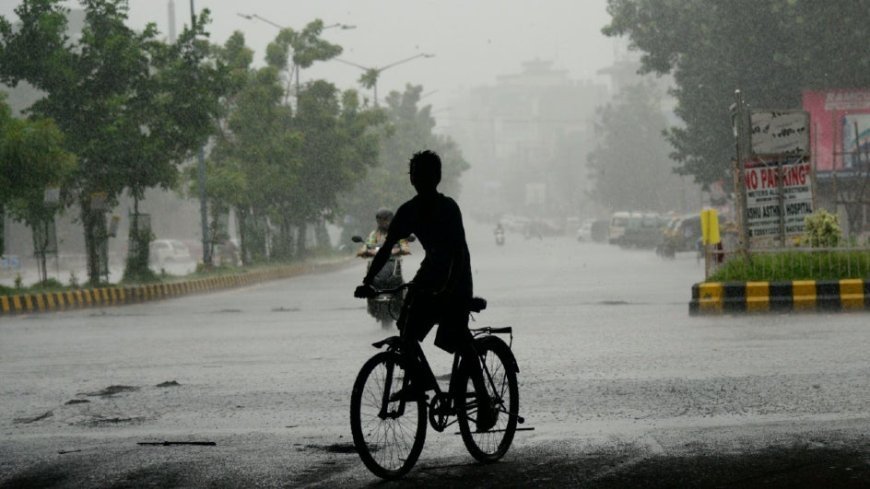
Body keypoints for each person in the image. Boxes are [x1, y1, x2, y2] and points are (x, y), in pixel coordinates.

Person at [354, 149, 496, 432]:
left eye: (422, 173)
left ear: (435, 177)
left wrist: (449, 290)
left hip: (456, 275)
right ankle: (418, 380)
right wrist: (368, 281)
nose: (417, 178)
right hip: (430, 273)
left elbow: (457, 252)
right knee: (406, 325)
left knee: (456, 335)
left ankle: (484, 401)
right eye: (414, 173)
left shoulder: (449, 208)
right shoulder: (409, 210)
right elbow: (386, 248)